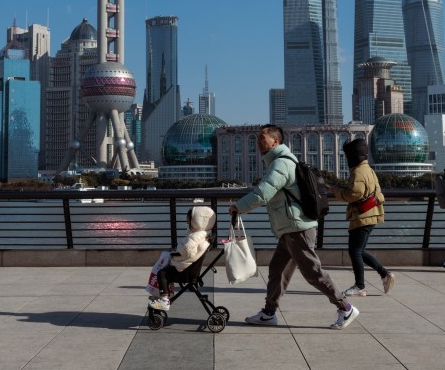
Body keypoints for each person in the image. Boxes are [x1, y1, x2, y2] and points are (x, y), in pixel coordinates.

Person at [229, 124, 358, 330]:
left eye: (262, 137)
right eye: (257, 138)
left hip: (298, 228)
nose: (258, 141)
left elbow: (263, 193)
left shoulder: (281, 164)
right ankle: (269, 313)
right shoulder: (279, 162)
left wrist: (238, 207)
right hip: (289, 229)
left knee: (313, 273)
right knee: (277, 271)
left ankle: (345, 307)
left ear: (275, 141)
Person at [330, 138, 395, 296]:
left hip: (362, 216)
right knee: (358, 250)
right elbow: (376, 192)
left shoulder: (359, 171)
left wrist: (336, 191)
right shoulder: (369, 169)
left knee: (355, 251)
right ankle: (384, 274)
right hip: (371, 214)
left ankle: (360, 286)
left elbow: (354, 194)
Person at [147, 205, 216, 311]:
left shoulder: (194, 238)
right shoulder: (206, 235)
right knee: (166, 271)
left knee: (162, 273)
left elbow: (185, 252)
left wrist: (173, 257)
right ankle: (165, 296)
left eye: (190, 222)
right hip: (191, 270)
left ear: (197, 222)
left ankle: (164, 300)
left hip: (185, 272)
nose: (188, 224)